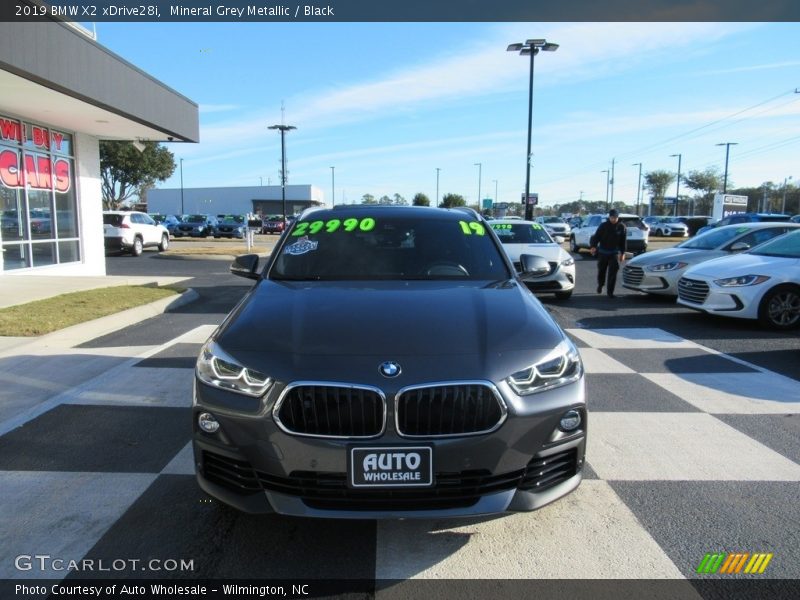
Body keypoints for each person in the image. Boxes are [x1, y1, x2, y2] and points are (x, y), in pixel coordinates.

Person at [590, 209, 627, 297]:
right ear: (609, 217)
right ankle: (600, 285)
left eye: (615, 217)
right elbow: (596, 237)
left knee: (613, 272)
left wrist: (623, 253)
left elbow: (623, 241)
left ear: (618, 217)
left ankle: (610, 292)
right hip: (603, 252)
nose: (613, 219)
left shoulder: (622, 227)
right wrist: (593, 246)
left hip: (614, 252)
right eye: (611, 217)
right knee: (601, 271)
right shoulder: (603, 226)